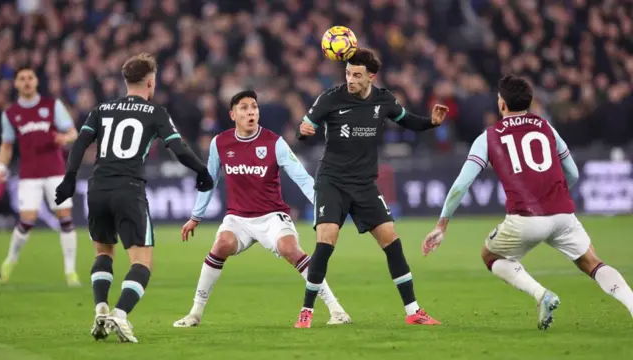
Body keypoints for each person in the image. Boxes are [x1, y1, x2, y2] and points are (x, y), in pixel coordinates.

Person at [422, 74, 633, 329]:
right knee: (593, 263)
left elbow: (461, 185)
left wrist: (442, 224)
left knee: (490, 255)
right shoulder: (546, 127)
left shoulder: (489, 136)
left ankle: (541, 294)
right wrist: (557, 197)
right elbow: (574, 173)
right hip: (563, 214)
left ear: (501, 104)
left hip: (525, 218)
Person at [53, 53, 214, 343]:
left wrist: (68, 178)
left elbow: (80, 143)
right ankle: (120, 314)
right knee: (142, 262)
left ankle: (101, 308)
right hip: (129, 189)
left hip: (98, 187)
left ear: (126, 81)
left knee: (103, 254)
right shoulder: (155, 113)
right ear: (150, 83)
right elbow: (177, 148)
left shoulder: (102, 109)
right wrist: (201, 171)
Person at [294, 48, 448, 328]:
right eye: (347, 74)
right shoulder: (330, 98)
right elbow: (304, 128)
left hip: (364, 183)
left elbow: (407, 120)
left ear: (371, 77)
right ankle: (306, 312)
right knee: (326, 242)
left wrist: (431, 124)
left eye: (356, 75)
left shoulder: (383, 99)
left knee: (392, 240)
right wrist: (302, 132)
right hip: (332, 181)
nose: (350, 80)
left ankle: (413, 311)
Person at [173, 90, 352, 328]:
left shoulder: (274, 142)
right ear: (233, 114)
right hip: (238, 218)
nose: (251, 112)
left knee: (290, 248)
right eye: (244, 108)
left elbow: (302, 177)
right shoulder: (220, 143)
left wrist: (323, 208)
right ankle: (195, 313)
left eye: (254, 107)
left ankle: (336, 309)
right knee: (221, 245)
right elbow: (210, 180)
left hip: (271, 216)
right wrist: (196, 216)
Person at [0, 66, 80, 286]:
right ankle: (10, 260)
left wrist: (65, 138)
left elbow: (72, 132)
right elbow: (7, 144)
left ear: (35, 82)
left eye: (30, 78)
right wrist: (2, 168)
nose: (26, 82)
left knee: (65, 217)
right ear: (15, 84)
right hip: (29, 174)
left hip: (55, 171)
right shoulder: (11, 113)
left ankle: (70, 272)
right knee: (27, 220)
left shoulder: (51, 106)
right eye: (21, 78)